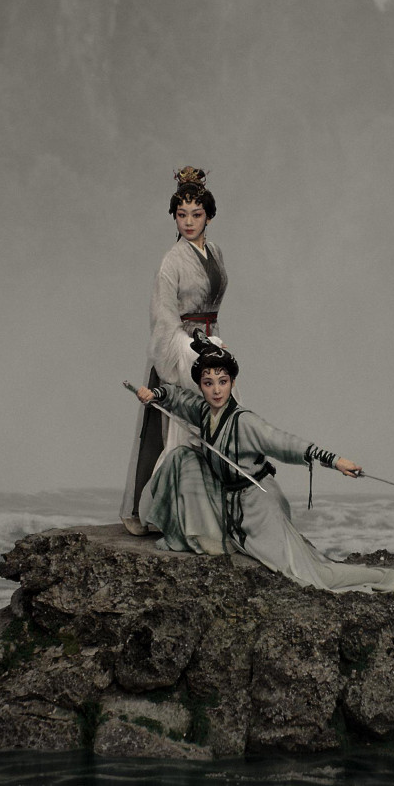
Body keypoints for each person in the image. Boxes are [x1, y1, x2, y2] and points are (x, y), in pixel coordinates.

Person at [132, 343, 394, 593]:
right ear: (201, 386)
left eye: (223, 381)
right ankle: (194, 534)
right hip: (228, 502)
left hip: (259, 507)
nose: (216, 390)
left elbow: (286, 443)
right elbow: (177, 398)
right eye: (208, 383)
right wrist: (154, 394)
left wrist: (335, 461)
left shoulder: (245, 422)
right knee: (182, 457)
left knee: (310, 576)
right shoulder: (204, 412)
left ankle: (393, 578)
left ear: (233, 382)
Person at [119, 166, 228, 536]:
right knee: (175, 430)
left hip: (210, 345)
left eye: (196, 214)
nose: (189, 222)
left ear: (209, 216)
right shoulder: (172, 260)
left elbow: (212, 306)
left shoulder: (215, 252)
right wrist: (188, 348)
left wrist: (214, 344)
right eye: (182, 215)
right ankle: (162, 512)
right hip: (180, 348)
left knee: (217, 424)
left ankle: (211, 511)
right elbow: (163, 316)